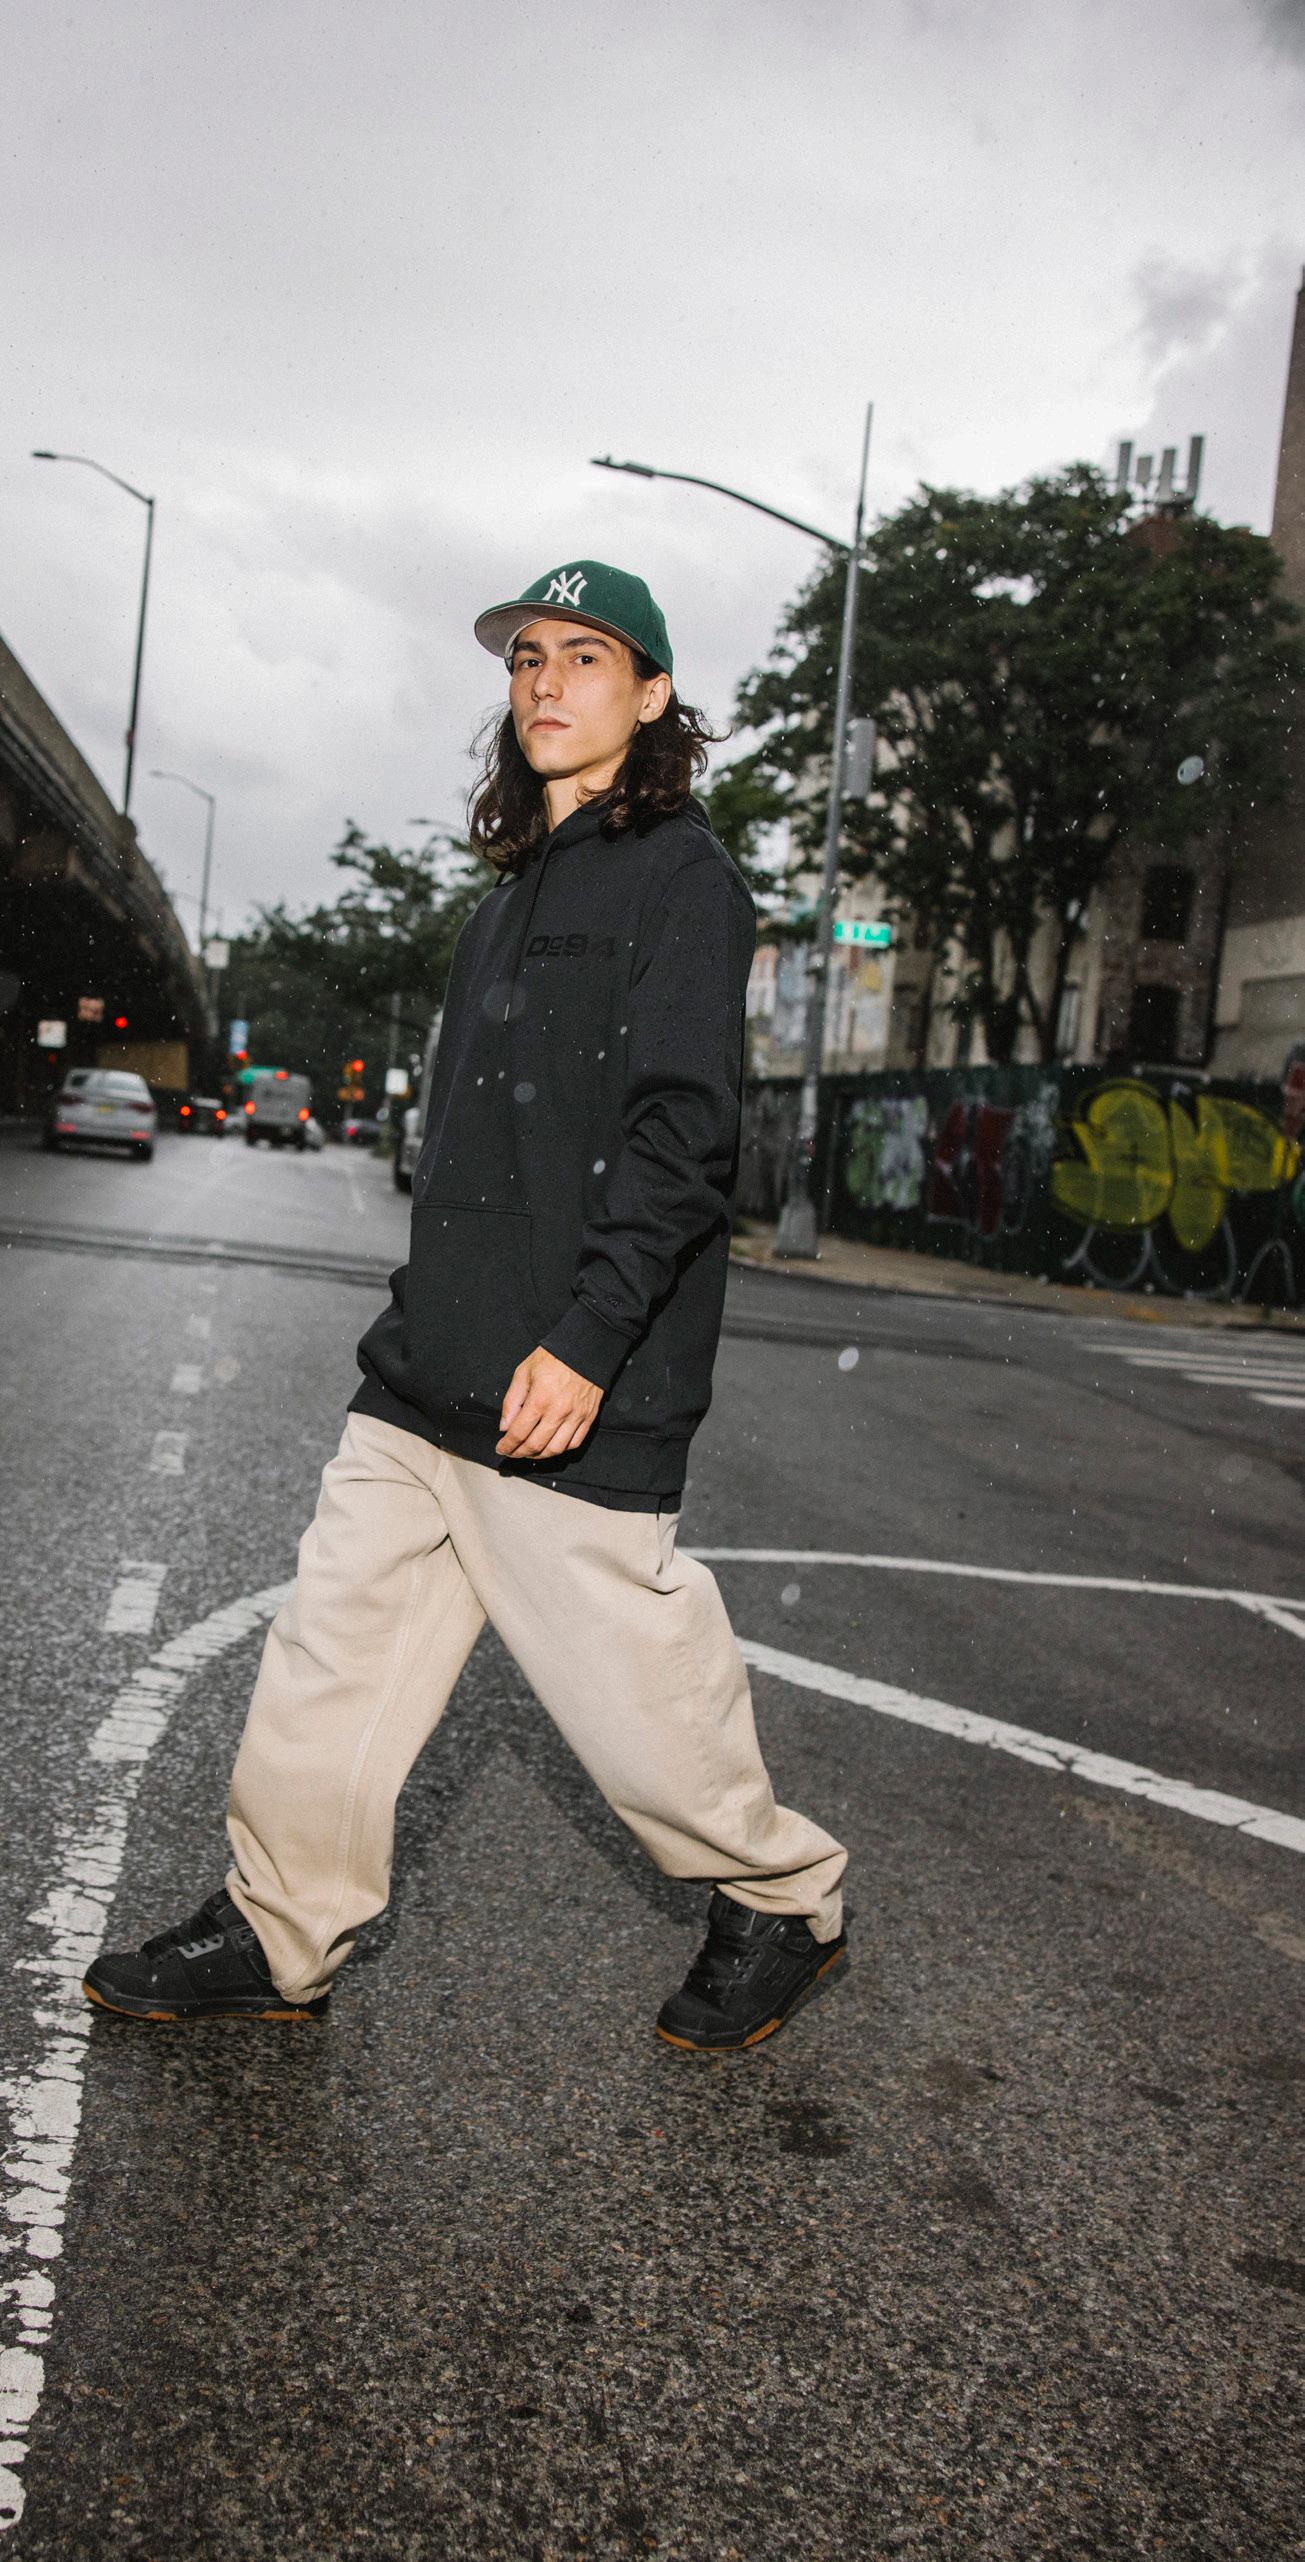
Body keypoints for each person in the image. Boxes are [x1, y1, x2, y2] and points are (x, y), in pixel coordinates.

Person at [84, 560, 849, 2052]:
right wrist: (424, 1306)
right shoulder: (504, 902)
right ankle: (279, 1924)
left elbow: (684, 1135)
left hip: (567, 1372)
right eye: (526, 659)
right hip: (431, 1365)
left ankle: (781, 1898)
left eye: (586, 656)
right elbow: (473, 1144)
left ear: (653, 694)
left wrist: (589, 1336)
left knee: (630, 1687)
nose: (546, 681)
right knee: (332, 1653)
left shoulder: (685, 881)